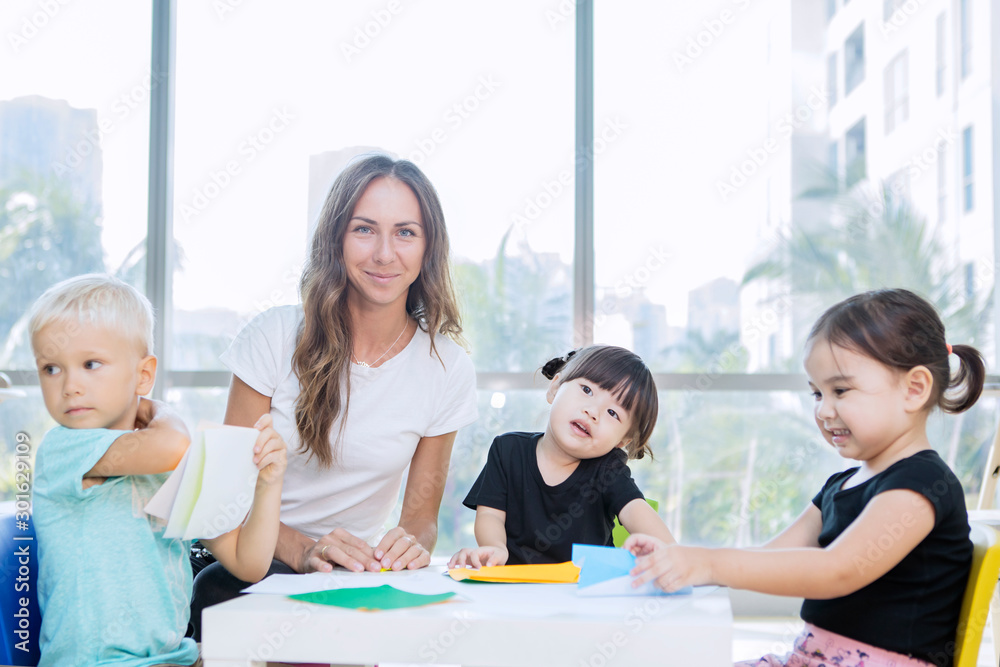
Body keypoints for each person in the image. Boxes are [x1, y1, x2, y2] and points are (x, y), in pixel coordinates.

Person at [190, 154, 478, 636]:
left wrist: (409, 545)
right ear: (335, 240)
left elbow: (420, 519)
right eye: (364, 229)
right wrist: (302, 549)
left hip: (341, 582)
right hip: (242, 565)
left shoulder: (447, 368)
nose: (385, 254)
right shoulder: (274, 337)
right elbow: (222, 497)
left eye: (405, 232)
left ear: (428, 248)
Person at [627, 288, 981, 667]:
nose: (824, 410)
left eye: (840, 390)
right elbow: (769, 558)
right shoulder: (841, 485)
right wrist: (679, 561)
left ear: (914, 389)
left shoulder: (921, 484)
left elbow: (838, 570)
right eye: (816, 393)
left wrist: (709, 563)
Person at [29, 274, 286, 667]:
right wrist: (158, 410)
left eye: (90, 364)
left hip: (173, 658)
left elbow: (246, 562)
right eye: (51, 368)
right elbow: (170, 445)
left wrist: (269, 483)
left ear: (143, 374)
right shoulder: (64, 449)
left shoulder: (167, 465)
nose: (69, 386)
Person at [449, 345, 675, 567]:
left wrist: (675, 555)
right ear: (555, 388)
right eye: (587, 390)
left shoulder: (608, 470)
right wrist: (496, 548)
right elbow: (491, 516)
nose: (593, 412)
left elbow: (637, 511)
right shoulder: (507, 450)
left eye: (613, 413)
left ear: (621, 442)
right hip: (515, 590)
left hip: (584, 593)